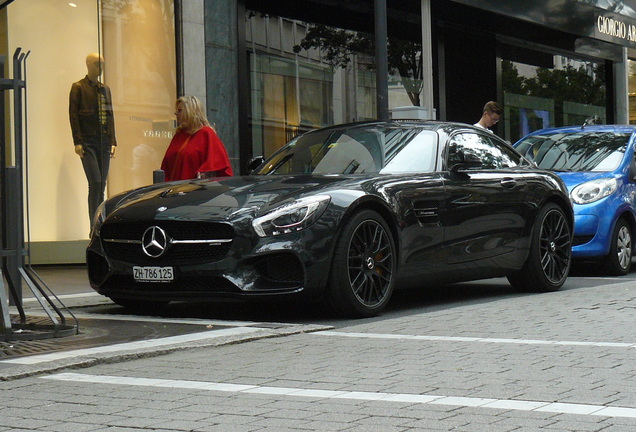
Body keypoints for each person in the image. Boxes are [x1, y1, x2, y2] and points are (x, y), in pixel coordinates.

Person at [69, 53, 117, 225]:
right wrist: (78, 141)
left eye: (102, 64)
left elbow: (110, 115)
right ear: (88, 65)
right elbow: (73, 115)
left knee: (101, 185)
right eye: (97, 64)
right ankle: (94, 225)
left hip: (103, 142)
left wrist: (113, 140)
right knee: (95, 182)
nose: (100, 68)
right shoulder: (78, 87)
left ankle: (99, 224)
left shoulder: (105, 89)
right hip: (88, 142)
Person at [161, 96, 233, 181]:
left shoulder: (206, 133)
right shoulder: (179, 135)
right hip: (174, 189)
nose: (176, 113)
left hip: (195, 189)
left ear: (190, 112)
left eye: (180, 110)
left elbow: (217, 164)